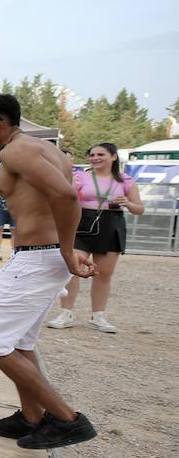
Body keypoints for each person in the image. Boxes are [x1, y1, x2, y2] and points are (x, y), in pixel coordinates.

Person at [0, 94, 97, 449]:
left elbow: (66, 197)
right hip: (38, 255)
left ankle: (66, 419)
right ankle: (31, 417)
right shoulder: (44, 150)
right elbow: (35, 196)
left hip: (39, 257)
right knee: (19, 342)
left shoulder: (14, 151)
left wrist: (67, 250)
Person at [46, 142, 144, 333]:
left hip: (111, 223)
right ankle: (66, 313)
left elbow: (140, 209)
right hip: (82, 223)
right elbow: (67, 197)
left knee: (104, 273)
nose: (95, 158)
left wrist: (128, 203)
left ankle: (97, 315)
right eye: (92, 155)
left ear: (113, 157)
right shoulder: (81, 176)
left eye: (101, 154)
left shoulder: (126, 180)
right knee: (74, 267)